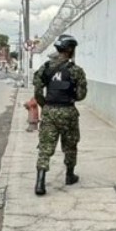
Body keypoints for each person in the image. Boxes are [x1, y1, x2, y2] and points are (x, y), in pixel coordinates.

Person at [32, 34, 88, 196]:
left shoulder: (46, 67)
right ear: (70, 49)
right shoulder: (76, 70)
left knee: (45, 147)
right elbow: (81, 95)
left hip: (49, 111)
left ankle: (40, 182)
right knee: (70, 144)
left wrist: (44, 105)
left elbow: (37, 90)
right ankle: (69, 175)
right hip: (68, 112)